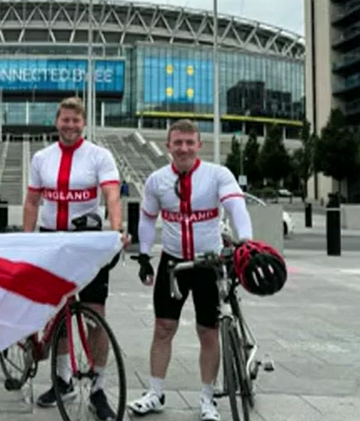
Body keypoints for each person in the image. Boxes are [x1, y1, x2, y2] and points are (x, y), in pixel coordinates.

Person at [127, 119, 253, 421]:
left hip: (208, 263)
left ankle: (208, 399)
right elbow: (147, 219)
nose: (183, 148)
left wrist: (246, 242)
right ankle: (155, 393)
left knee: (208, 331)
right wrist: (144, 255)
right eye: (177, 142)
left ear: (199, 145)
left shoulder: (217, 175)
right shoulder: (157, 180)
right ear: (169, 146)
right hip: (173, 263)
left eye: (189, 142)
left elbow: (236, 206)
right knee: (162, 329)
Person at [23, 96, 129, 421]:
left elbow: (112, 194)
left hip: (86, 243)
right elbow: (31, 202)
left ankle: (98, 387)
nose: (70, 125)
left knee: (95, 316)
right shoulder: (42, 157)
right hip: (51, 241)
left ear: (84, 123)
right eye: (65, 120)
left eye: (75, 121)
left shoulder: (99, 155)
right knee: (58, 314)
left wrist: (115, 231)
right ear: (57, 122)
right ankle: (62, 379)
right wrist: (27, 242)